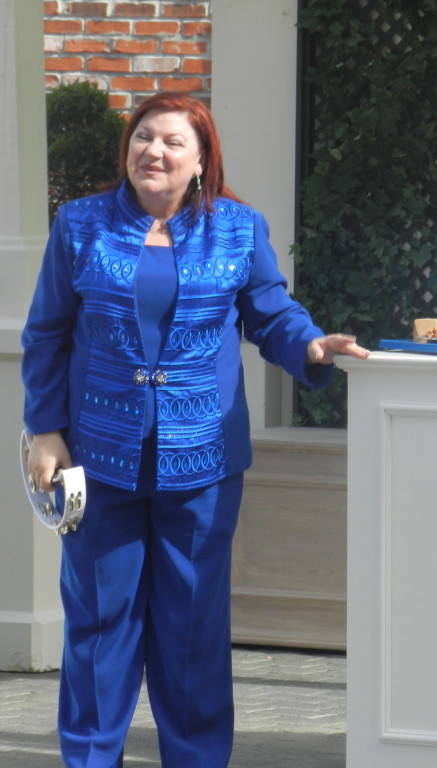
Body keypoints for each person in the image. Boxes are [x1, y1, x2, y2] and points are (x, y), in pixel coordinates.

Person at [21, 91, 370, 768]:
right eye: (142, 138)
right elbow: (46, 334)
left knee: (191, 629)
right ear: (126, 151)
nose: (154, 151)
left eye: (173, 141)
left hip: (204, 463)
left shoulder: (238, 229)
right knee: (99, 627)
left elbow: (271, 315)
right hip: (99, 457)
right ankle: (91, 759)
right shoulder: (79, 225)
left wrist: (310, 348)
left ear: (202, 158)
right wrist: (46, 430)